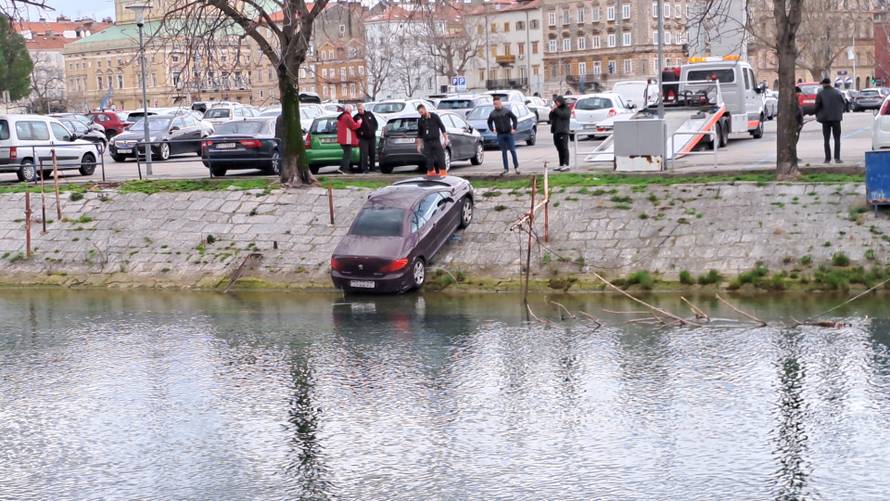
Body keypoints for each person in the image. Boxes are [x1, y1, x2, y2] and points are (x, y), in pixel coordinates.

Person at [814, 77, 845, 164]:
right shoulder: (837, 92)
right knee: (837, 139)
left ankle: (827, 159)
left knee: (826, 139)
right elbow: (844, 104)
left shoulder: (821, 94)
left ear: (824, 84)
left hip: (825, 119)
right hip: (836, 119)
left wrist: (816, 114)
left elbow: (816, 107)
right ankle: (837, 158)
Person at [486, 96, 519, 175]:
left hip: (509, 133)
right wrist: (492, 129)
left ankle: (516, 167)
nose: (496, 105)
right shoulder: (493, 113)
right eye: (494, 104)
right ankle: (506, 169)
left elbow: (514, 118)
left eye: (497, 104)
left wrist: (514, 128)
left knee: (512, 150)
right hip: (500, 134)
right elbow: (489, 122)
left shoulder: (506, 111)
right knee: (504, 152)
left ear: (500, 103)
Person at [415, 104, 449, 177]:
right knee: (429, 159)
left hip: (436, 141)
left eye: (421, 112)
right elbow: (419, 134)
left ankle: (443, 173)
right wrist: (419, 145)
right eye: (419, 113)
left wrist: (446, 138)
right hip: (427, 142)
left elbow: (442, 127)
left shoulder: (434, 116)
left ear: (424, 109)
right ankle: (431, 173)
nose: (421, 114)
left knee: (441, 157)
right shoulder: (420, 121)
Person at [336, 104, 361, 174]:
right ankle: (344, 169)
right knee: (348, 155)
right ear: (348, 109)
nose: (352, 111)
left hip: (343, 138)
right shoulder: (347, 116)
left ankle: (341, 168)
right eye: (351, 109)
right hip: (346, 139)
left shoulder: (342, 116)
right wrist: (359, 123)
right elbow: (354, 126)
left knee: (346, 154)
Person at [353, 103, 378, 174]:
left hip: (372, 137)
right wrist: (360, 133)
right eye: (358, 109)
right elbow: (355, 128)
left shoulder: (369, 114)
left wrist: (374, 130)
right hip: (363, 138)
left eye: (360, 109)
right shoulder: (356, 117)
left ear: (364, 108)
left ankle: (372, 168)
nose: (359, 110)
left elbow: (375, 124)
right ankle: (364, 169)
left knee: (372, 152)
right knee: (364, 154)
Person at [549, 96, 572, 171]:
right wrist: (552, 111)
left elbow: (563, 116)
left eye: (558, 102)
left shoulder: (566, 109)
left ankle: (566, 164)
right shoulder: (556, 109)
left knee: (564, 148)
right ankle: (561, 164)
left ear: (561, 101)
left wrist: (556, 110)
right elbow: (550, 117)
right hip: (556, 131)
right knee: (559, 148)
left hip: (563, 131)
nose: (557, 103)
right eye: (556, 102)